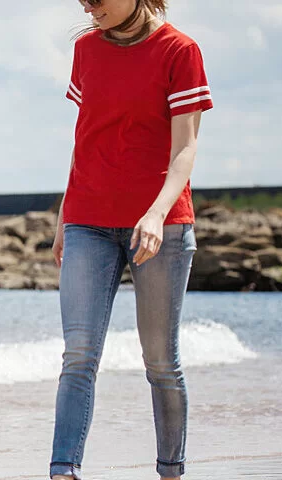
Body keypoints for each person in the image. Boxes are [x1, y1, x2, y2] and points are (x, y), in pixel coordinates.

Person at [49, 0, 212, 479]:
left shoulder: (180, 50)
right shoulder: (85, 49)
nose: (88, 5)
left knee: (160, 361)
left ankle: (170, 471)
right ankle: (63, 472)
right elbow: (87, 139)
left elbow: (185, 148)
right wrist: (64, 216)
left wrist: (157, 214)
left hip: (161, 224)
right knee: (78, 355)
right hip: (87, 220)